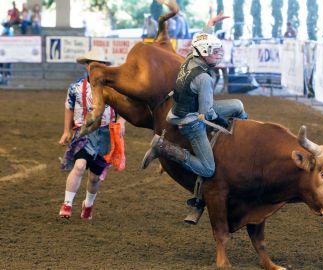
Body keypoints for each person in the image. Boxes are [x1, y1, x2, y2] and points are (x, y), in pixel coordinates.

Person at [141, 14, 248, 202]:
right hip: (191, 121)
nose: (218, 54)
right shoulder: (204, 78)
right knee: (208, 168)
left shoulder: (191, 57)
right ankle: (165, 149)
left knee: (238, 105)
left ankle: (242, 140)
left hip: (181, 109)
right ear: (204, 52)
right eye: (214, 51)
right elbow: (207, 113)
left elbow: (200, 41)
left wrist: (210, 25)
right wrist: (222, 122)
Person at [58, 48, 126, 220]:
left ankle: (88, 204)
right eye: (95, 64)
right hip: (83, 131)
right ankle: (67, 204)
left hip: (105, 134)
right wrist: (66, 130)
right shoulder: (75, 87)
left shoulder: (113, 88)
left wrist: (121, 123)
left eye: (102, 64)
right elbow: (69, 107)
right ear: (87, 66)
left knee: (95, 177)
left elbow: (122, 108)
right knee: (79, 165)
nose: (98, 67)